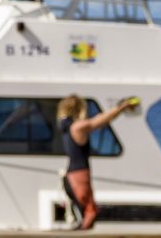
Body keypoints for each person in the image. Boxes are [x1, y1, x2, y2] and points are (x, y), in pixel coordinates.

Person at [56, 94, 136, 227]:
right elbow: (100, 121)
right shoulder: (77, 127)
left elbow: (99, 119)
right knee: (90, 214)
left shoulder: (65, 126)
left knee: (85, 215)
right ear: (79, 109)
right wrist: (121, 107)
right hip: (79, 176)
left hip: (71, 175)